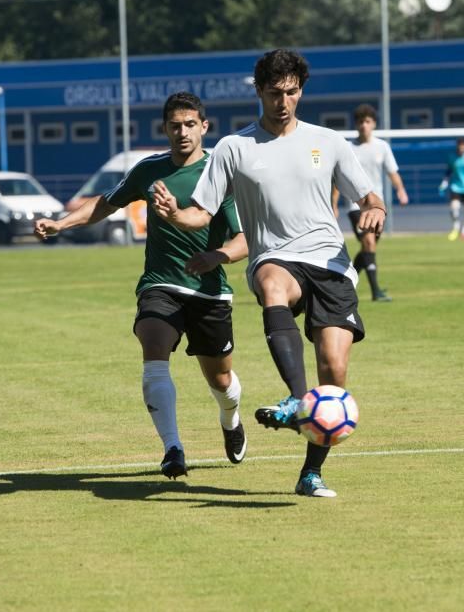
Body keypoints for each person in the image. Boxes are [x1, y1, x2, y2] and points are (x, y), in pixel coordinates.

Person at [152, 49, 385, 498]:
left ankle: (310, 473)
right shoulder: (234, 148)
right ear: (259, 90)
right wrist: (177, 216)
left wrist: (376, 212)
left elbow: (370, 198)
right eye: (275, 92)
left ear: (301, 91)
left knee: (334, 372)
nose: (284, 101)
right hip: (275, 255)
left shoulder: (329, 141)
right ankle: (298, 398)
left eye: (292, 92)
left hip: (330, 262)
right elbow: (201, 212)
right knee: (272, 282)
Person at [34, 92, 248, 480]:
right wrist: (61, 224)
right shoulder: (148, 170)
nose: (182, 132)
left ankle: (230, 420)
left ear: (204, 126)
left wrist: (216, 256)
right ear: (164, 129)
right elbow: (107, 203)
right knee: (153, 348)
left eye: (189, 124)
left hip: (209, 291)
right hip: (160, 284)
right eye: (174, 125)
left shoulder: (222, 173)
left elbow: (245, 239)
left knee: (221, 381)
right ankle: (172, 448)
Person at [332, 103, 409, 302]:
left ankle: (343, 283)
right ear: (356, 124)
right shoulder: (348, 148)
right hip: (355, 206)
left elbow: (393, 172)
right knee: (368, 241)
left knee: (368, 248)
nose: (364, 125)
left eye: (367, 121)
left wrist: (400, 190)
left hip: (377, 206)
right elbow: (338, 179)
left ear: (373, 123)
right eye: (360, 122)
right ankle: (375, 292)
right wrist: (333, 205)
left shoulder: (382, 147)